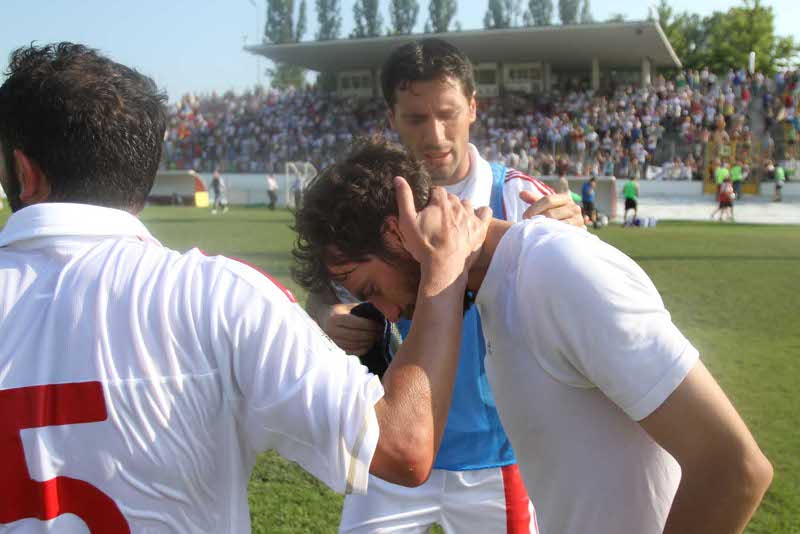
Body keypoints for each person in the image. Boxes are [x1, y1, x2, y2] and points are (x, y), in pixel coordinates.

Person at [0, 42, 491, 531]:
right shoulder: (218, 295)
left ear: (24, 172)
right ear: (141, 170)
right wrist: (443, 272)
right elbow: (400, 444)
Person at [293, 137, 773, 534]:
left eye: (373, 288)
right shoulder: (494, 293)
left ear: (399, 232)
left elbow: (735, 470)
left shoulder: (553, 268)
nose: (388, 312)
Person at [305, 38, 583, 534]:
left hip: (498, 457)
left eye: (448, 113)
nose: (435, 135)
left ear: (473, 108)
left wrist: (579, 241)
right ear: (392, 116)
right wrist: (327, 314)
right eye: (415, 118)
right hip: (391, 440)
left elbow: (591, 290)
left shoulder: (518, 199)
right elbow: (328, 282)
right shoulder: (374, 195)